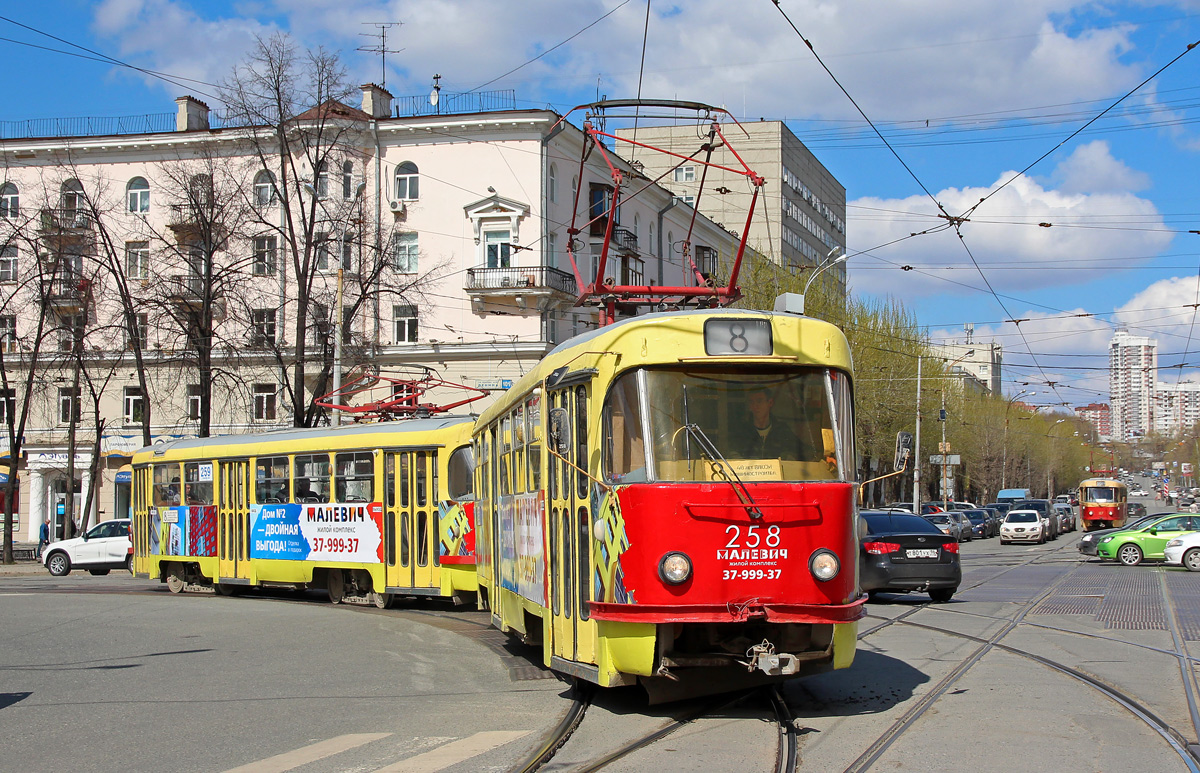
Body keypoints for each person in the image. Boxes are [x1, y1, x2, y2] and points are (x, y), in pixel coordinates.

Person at [740, 388, 801, 460]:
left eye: (759, 401)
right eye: (751, 402)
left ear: (770, 403)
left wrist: (789, 456)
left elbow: (803, 452)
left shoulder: (782, 430)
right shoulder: (742, 431)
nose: (755, 406)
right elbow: (732, 454)